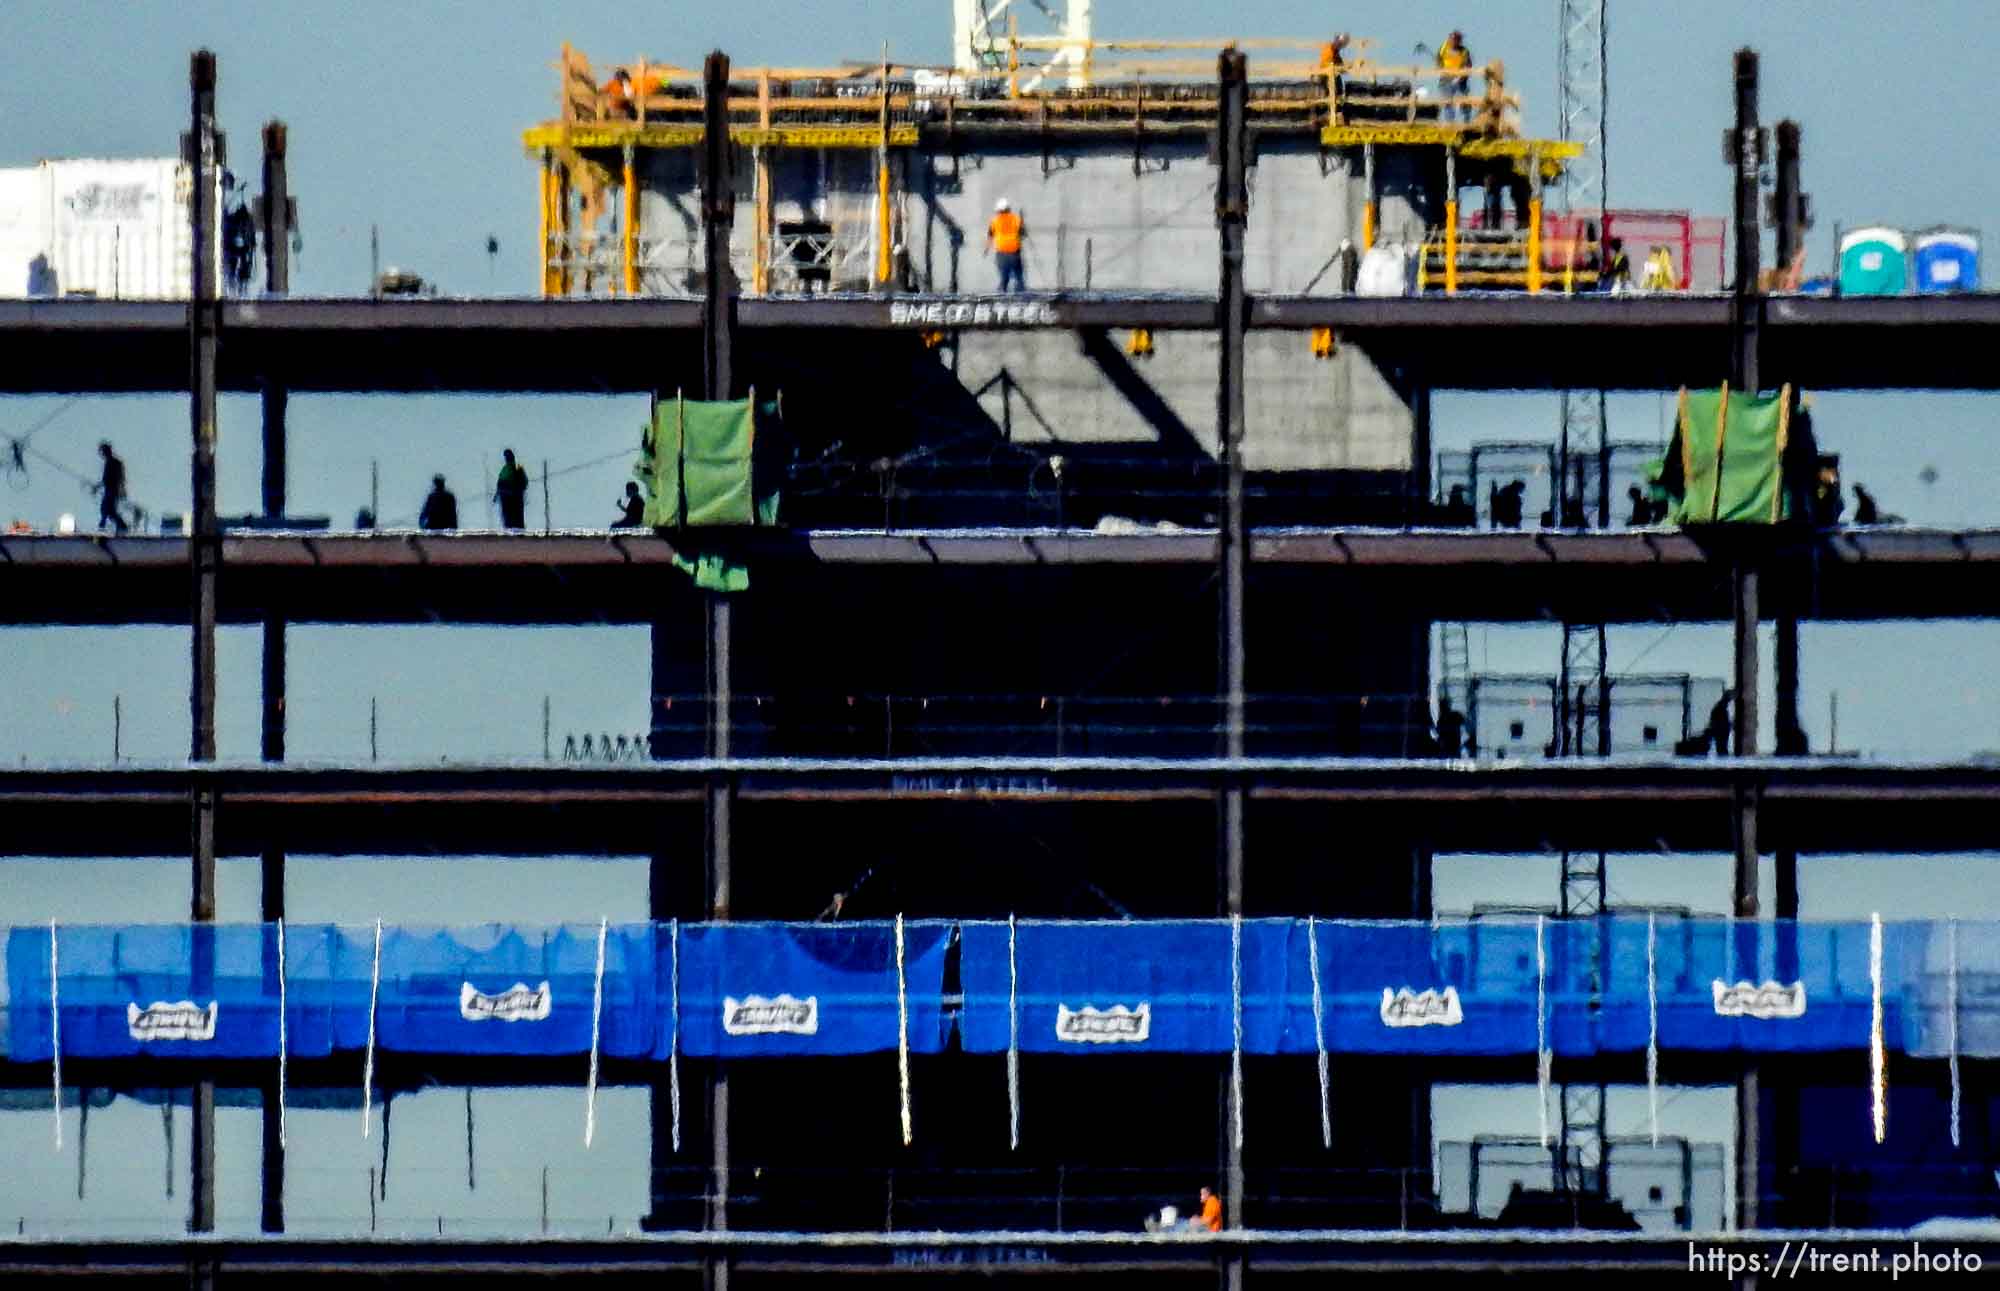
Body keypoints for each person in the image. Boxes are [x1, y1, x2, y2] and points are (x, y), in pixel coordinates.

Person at [987, 198, 1027, 293]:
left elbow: (990, 236)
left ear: (997, 210)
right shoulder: (1016, 219)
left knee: (1004, 276)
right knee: (1018, 275)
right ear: (1009, 209)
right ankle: (1021, 294)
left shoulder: (994, 221)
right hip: (1015, 251)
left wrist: (986, 249)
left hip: (1001, 251)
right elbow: (1023, 234)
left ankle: (1002, 293)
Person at [1436, 31, 1472, 122]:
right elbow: (1438, 58)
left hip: (1459, 80)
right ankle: (1450, 123)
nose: (1454, 41)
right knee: (1447, 102)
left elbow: (1468, 66)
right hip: (1445, 79)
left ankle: (1466, 121)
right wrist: (1440, 67)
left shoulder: (1464, 51)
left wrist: (1461, 77)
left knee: (1464, 101)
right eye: (1452, 39)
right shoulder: (1444, 47)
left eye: (1457, 39)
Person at [94, 441, 128, 534]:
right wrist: (98, 486)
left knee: (107, 509)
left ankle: (108, 525)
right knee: (109, 510)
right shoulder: (110, 462)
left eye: (103, 451)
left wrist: (121, 490)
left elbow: (118, 478)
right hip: (110, 489)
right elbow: (105, 479)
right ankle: (119, 525)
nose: (102, 454)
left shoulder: (114, 463)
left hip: (112, 490)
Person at [495, 449, 530, 529]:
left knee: (515, 518)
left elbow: (524, 482)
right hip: (505, 497)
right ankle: (510, 532)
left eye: (508, 456)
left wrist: (515, 490)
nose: (507, 458)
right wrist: (498, 493)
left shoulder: (517, 467)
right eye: (506, 456)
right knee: (508, 518)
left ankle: (517, 533)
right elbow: (500, 483)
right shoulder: (505, 468)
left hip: (515, 497)